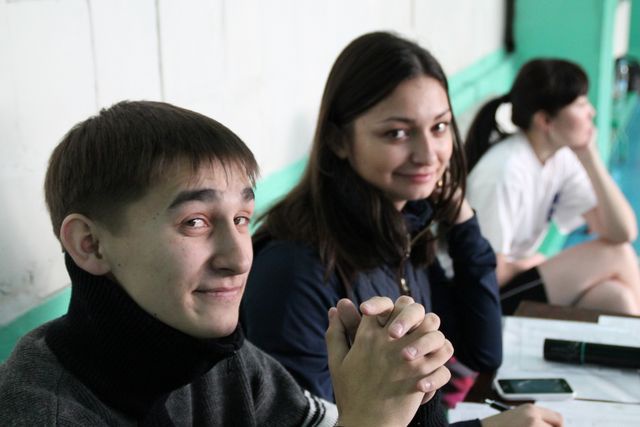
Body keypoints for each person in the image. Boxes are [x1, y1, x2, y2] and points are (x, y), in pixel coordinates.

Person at [0, 100, 457, 426]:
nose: (239, 259)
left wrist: (407, 386)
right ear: (90, 245)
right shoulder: (40, 413)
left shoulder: (220, 360)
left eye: (241, 219)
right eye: (195, 222)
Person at [242, 32, 562, 427]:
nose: (428, 155)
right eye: (397, 133)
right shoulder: (296, 271)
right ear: (339, 141)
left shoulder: (402, 230)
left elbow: (481, 351)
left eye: (440, 127)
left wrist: (462, 220)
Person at [465, 58, 640, 316]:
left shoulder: (560, 159)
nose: (591, 112)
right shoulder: (505, 171)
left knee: (616, 298)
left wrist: (589, 157)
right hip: (479, 301)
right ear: (545, 120)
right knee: (616, 255)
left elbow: (621, 231)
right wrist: (535, 262)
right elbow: (488, 272)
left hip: (513, 284)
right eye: (580, 104)